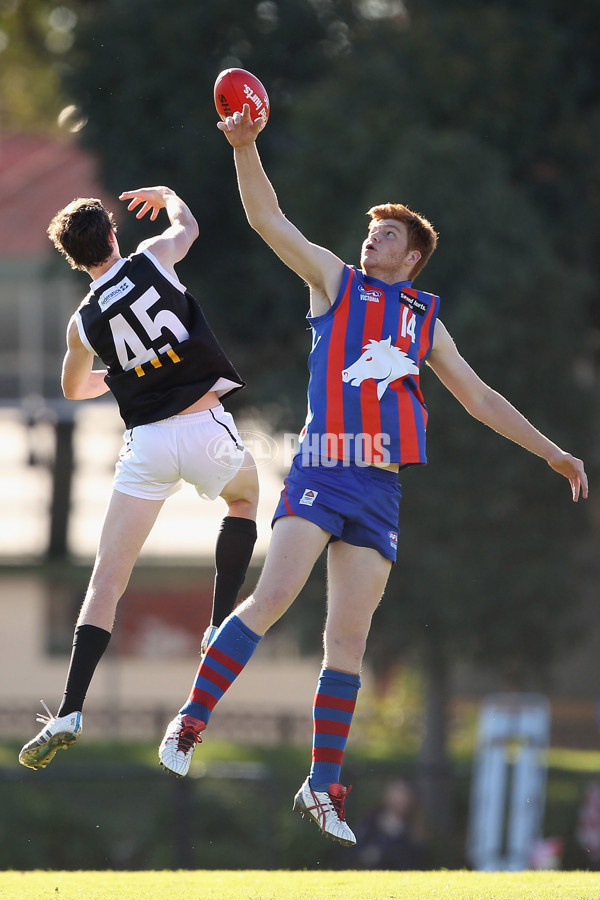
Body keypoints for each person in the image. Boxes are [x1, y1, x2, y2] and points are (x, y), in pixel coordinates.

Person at [157, 106, 588, 848]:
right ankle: (191, 721)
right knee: (274, 597)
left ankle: (321, 786)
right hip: (325, 463)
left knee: (348, 642)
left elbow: (480, 399)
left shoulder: (424, 320)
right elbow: (268, 220)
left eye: (388, 234)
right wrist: (246, 146)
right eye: (373, 230)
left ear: (413, 257)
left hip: (381, 488)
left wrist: (552, 452)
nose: (373, 238)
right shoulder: (336, 281)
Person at [19, 186, 258, 771]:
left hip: (146, 445)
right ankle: (217, 623)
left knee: (106, 580)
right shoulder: (152, 258)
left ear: (73, 258)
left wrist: (125, 373)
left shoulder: (82, 323)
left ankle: (70, 709)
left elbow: (73, 388)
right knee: (244, 499)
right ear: (113, 234)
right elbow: (189, 227)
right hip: (202, 426)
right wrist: (171, 196)